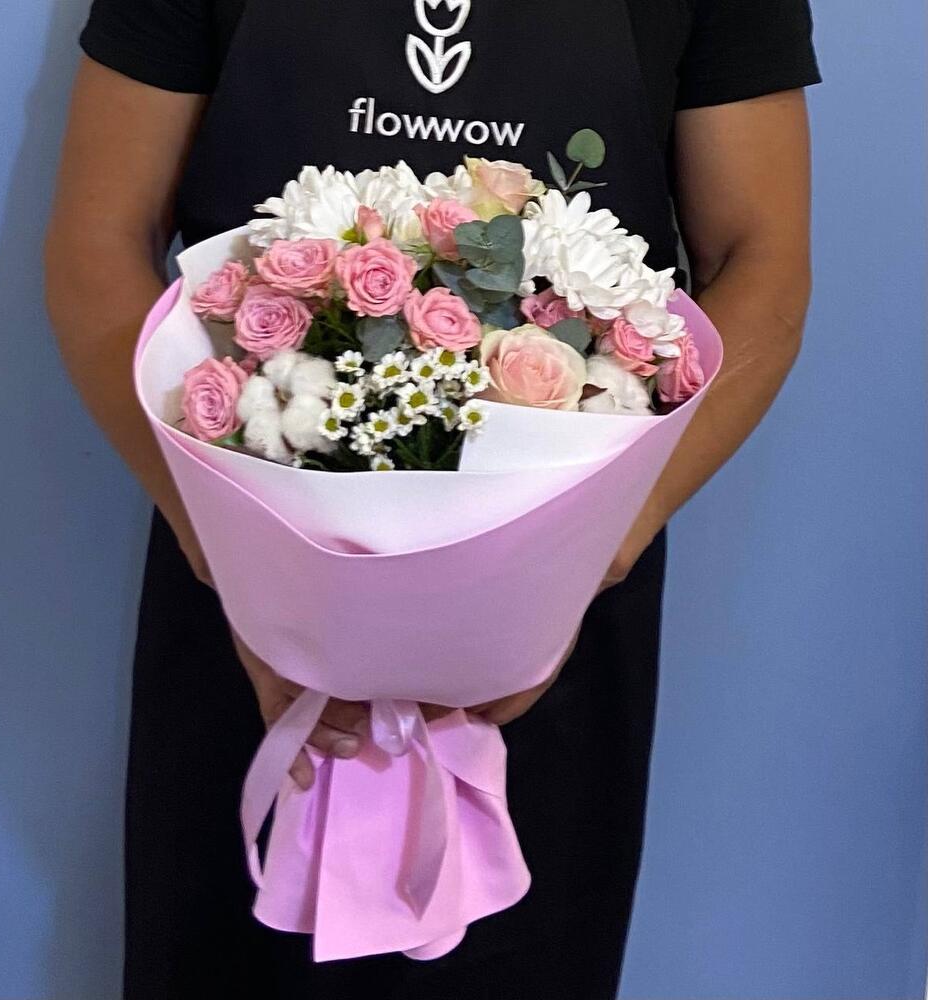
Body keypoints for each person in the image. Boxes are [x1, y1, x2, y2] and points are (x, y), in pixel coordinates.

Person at [45, 0, 820, 996]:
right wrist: (245, 566)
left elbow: (760, 261)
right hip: (241, 587)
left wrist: (582, 559)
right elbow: (98, 242)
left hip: (558, 615)